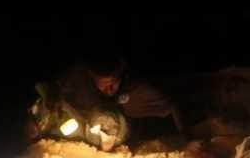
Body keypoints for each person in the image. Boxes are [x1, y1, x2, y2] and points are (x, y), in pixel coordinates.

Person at [27, 58, 186, 151]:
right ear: (91, 75)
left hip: (127, 123)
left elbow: (173, 105)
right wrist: (37, 122)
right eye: (103, 84)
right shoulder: (79, 82)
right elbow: (50, 87)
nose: (109, 89)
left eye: (113, 83)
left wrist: (187, 134)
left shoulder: (138, 90)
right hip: (83, 121)